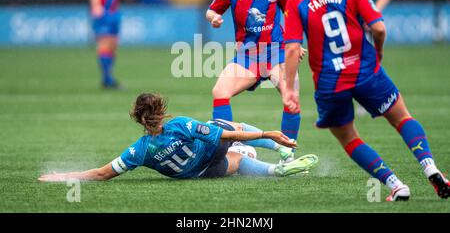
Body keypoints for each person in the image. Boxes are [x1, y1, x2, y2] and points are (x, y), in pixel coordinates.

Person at [282, 0, 450, 201]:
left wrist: (288, 88)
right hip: (365, 71)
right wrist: (379, 52)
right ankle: (430, 166)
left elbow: (291, 49)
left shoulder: (297, 0)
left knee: (349, 139)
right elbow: (379, 28)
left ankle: (396, 185)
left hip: (330, 82)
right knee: (402, 118)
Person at [39, 93, 318, 182]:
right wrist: (268, 133)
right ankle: (279, 151)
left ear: (138, 119)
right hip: (209, 155)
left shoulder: (140, 151)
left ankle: (277, 170)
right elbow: (229, 134)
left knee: (239, 161)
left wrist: (62, 176)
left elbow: (101, 174)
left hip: (197, 174)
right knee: (220, 125)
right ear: (161, 111)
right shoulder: (180, 125)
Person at [206, 0, 306, 163]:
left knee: (292, 100)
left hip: (277, 53)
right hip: (247, 56)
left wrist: (295, 44)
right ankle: (223, 151)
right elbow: (212, 11)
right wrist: (214, 19)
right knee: (219, 92)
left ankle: (288, 155)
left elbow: (291, 15)